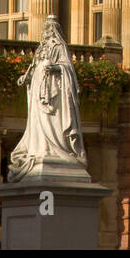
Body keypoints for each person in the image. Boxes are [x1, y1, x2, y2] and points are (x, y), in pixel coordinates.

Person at [8, 18, 88, 182]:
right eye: (44, 30)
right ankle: (41, 148)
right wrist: (27, 77)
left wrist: (56, 68)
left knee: (53, 121)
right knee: (37, 122)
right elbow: (34, 66)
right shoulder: (40, 48)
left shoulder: (59, 46)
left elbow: (67, 67)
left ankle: (56, 149)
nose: (45, 33)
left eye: (48, 30)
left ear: (53, 31)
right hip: (39, 87)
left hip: (54, 91)